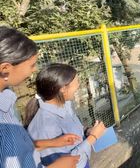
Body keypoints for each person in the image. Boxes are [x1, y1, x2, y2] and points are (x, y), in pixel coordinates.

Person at [0, 26, 80, 168]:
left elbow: (19, 149)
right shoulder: (4, 121)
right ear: (5, 69)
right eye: (32, 65)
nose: (35, 69)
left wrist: (52, 143)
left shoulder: (6, 102)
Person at [25, 63, 106, 168]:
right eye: (76, 82)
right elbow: (65, 163)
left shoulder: (64, 104)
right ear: (63, 88)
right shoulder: (45, 126)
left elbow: (73, 130)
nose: (79, 86)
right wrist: (93, 137)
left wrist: (87, 131)